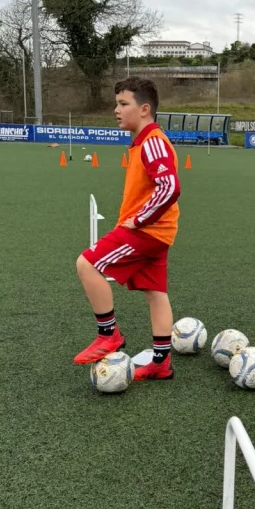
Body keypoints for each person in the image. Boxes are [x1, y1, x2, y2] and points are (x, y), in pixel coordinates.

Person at [73, 77, 180, 380]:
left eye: (123, 104)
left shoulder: (153, 141)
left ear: (144, 109)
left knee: (87, 264)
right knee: (155, 292)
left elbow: (170, 186)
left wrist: (140, 219)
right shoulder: (144, 142)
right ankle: (160, 362)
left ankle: (109, 335)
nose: (116, 110)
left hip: (146, 232)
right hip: (160, 233)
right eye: (117, 104)